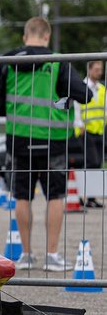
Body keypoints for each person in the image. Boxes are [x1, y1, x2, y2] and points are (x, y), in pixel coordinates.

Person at [0, 17, 92, 272]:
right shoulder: (57, 62)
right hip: (53, 142)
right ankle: (53, 256)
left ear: (25, 37)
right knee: (55, 196)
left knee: (22, 196)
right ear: (46, 36)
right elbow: (85, 95)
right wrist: (61, 101)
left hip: (20, 140)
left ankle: (25, 255)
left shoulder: (8, 62)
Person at [73, 59, 105, 207]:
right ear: (89, 69)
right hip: (85, 130)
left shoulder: (102, 88)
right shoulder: (82, 87)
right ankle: (82, 196)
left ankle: (90, 198)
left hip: (99, 130)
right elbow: (76, 107)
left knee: (97, 163)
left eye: (101, 69)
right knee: (91, 162)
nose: (100, 72)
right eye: (97, 69)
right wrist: (79, 124)